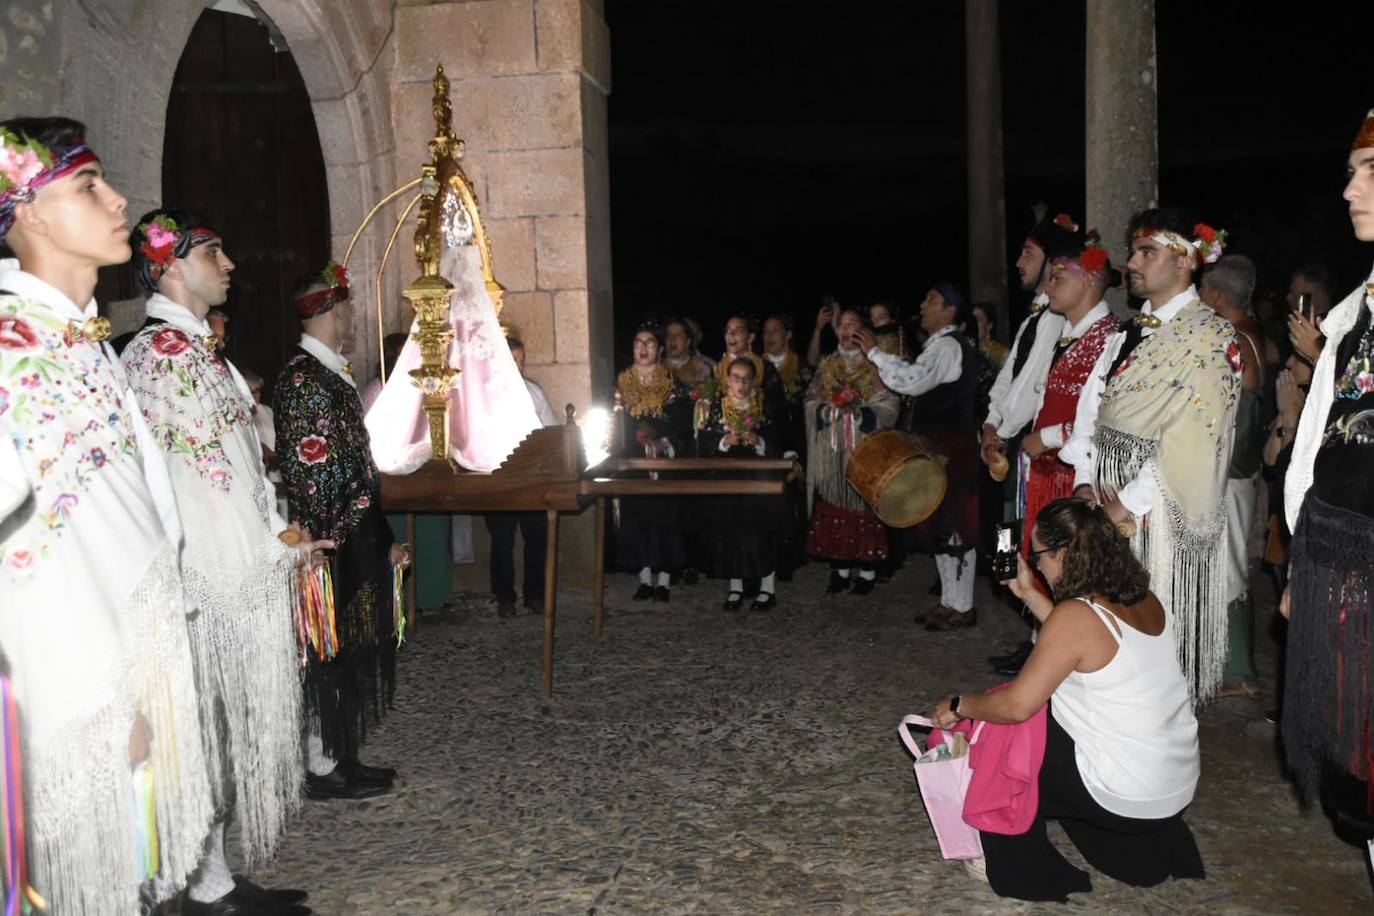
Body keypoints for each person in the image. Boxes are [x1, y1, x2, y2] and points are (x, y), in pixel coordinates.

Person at [0, 116, 212, 912]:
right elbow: (29, 559)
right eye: (89, 186)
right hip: (71, 695)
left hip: (129, 654)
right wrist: (100, 702)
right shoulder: (16, 350)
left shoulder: (75, 338)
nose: (119, 197)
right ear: (31, 213)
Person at [122, 208, 324, 914]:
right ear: (169, 265)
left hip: (217, 566)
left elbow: (235, 464)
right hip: (202, 578)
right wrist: (272, 548)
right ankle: (190, 884)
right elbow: (205, 485)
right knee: (198, 736)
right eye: (213, 252)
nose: (230, 264)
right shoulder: (166, 357)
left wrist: (278, 533)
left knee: (211, 737)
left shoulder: (195, 352)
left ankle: (208, 879)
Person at [933, 499, 1204, 901]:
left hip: (1124, 796)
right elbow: (1082, 642)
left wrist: (959, 705)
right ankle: (1145, 854)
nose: (1036, 565)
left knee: (1007, 727)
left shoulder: (1076, 617)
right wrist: (1028, 594)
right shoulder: (1143, 599)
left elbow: (1016, 708)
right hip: (1171, 794)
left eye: (1038, 555)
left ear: (1062, 553)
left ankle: (1016, 863)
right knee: (1053, 723)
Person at [1061, 207, 1242, 703]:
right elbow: (1091, 410)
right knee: (1109, 632)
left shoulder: (1210, 338)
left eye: (1148, 252)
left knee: (1155, 630)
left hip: (1157, 508)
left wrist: (1125, 504)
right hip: (1102, 494)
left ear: (1185, 261)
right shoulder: (1125, 333)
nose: (1134, 262)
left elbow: (1197, 441)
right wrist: (1083, 478)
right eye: (1135, 251)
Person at [275, 262, 407, 801]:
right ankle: (322, 765)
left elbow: (358, 463)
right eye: (345, 306)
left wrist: (382, 533)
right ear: (328, 310)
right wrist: (350, 534)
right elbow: (316, 473)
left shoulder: (332, 373)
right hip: (333, 542)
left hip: (355, 532)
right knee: (327, 655)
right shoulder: (303, 379)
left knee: (350, 653)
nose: (350, 315)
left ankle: (342, 754)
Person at [1281, 109, 1374, 842]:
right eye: (1350, 172)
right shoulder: (1355, 313)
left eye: (1370, 172)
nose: (1350, 190)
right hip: (1333, 556)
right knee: (1357, 781)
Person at [856, 284, 979, 627]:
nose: (923, 305)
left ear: (950, 310)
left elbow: (913, 380)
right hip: (938, 447)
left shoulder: (949, 347)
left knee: (955, 527)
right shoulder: (940, 346)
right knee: (938, 523)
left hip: (952, 448)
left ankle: (963, 607)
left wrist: (876, 354)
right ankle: (948, 601)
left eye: (931, 300)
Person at [1019, 234, 1119, 571]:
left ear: (1088, 279)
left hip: (1072, 478)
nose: (1048, 288)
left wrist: (1045, 437)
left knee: (1069, 569)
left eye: (1057, 277)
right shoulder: (1069, 333)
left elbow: (1105, 417)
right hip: (1045, 472)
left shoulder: (1109, 339)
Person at [1199, 254, 1266, 698]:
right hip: (1242, 471)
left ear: (1218, 296)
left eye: (1204, 291)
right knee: (1229, 563)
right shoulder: (1253, 334)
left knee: (1228, 567)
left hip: (1231, 472)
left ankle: (1238, 671)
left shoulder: (1233, 340)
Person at [804, 308, 898, 594]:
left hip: (863, 451)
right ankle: (840, 569)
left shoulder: (875, 365)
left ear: (864, 331)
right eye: (841, 325)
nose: (845, 331)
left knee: (863, 508)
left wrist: (861, 413)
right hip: (832, 450)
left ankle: (867, 572)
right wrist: (824, 410)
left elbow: (890, 402)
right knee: (833, 504)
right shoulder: (828, 364)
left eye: (852, 325)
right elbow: (810, 398)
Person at [697, 357, 791, 611]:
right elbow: (704, 442)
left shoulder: (763, 407)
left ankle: (767, 588)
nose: (741, 384)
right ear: (727, 381)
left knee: (762, 533)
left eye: (747, 378)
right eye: (736, 378)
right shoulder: (717, 408)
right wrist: (724, 442)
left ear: (754, 381)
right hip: (729, 481)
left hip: (760, 482)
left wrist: (758, 442)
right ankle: (736, 587)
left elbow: (779, 440)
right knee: (731, 533)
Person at [613, 321, 694, 601]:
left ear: (659, 349)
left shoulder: (673, 383)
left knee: (665, 519)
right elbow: (615, 425)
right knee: (638, 518)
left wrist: (664, 441)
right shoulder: (621, 384)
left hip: (664, 462)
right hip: (635, 464)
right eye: (638, 342)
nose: (643, 348)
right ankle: (645, 579)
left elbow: (684, 425)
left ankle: (665, 581)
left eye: (649, 343)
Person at [485, 337, 560, 617]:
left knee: (537, 538)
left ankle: (535, 595)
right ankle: (504, 596)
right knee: (502, 541)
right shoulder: (485, 395)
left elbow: (551, 430)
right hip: (500, 479)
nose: (517, 364)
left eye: (521, 358)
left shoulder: (534, 393)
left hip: (531, 478)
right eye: (511, 359)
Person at [972, 301, 1008, 367]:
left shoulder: (1001, 354)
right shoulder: (962, 348)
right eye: (971, 319)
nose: (973, 323)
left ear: (989, 326)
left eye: (979, 320)